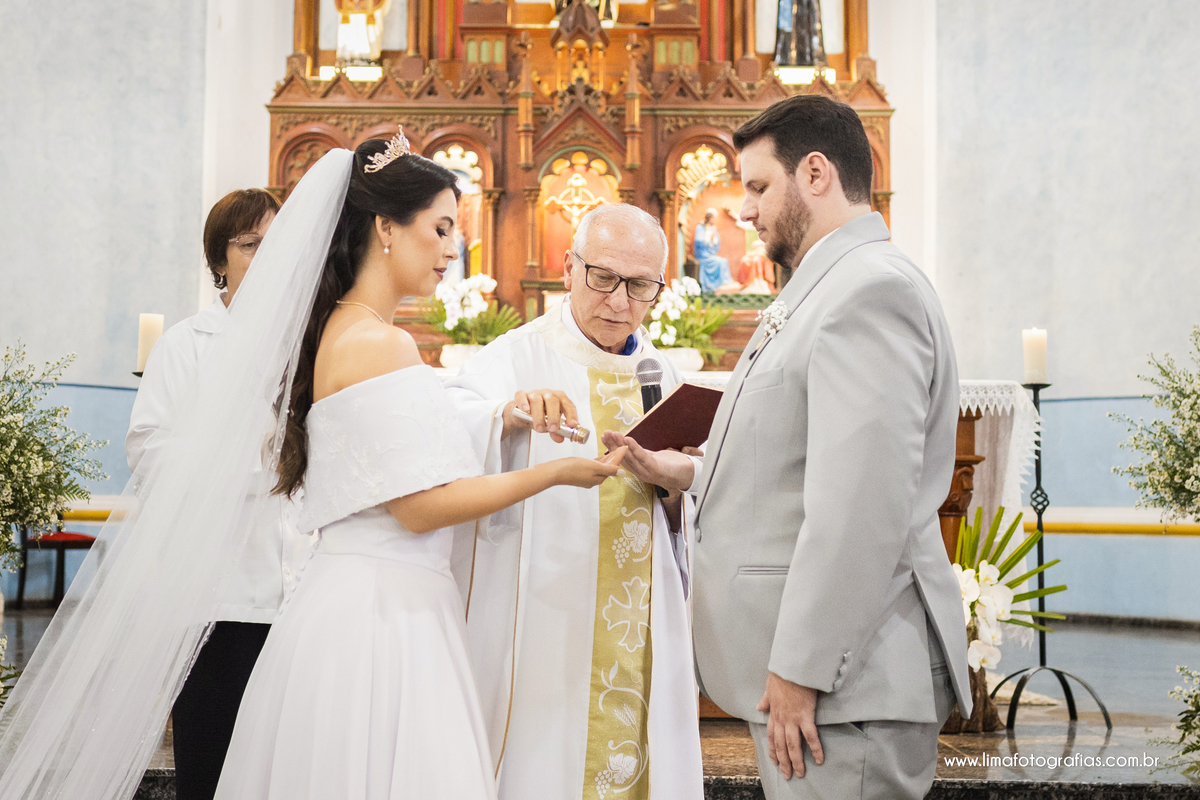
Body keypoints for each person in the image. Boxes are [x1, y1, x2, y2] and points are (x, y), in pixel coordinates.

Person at [0, 134, 620, 800]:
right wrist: (555, 474)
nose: (451, 249)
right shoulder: (382, 343)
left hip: (343, 596)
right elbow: (418, 506)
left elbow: (401, 449)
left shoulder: (338, 334)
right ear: (385, 226)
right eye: (440, 228)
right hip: (386, 612)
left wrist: (505, 415)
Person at [690, 95, 972, 800]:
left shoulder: (867, 291)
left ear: (815, 173)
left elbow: (862, 505)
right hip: (827, 693)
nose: (745, 212)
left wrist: (801, 670)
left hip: (842, 691)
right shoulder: (823, 288)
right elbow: (795, 461)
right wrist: (683, 472)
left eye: (757, 187)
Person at [444, 203, 704, 800]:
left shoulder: (660, 372)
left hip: (642, 614)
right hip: (542, 612)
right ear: (568, 267)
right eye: (603, 277)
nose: (618, 301)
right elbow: (448, 436)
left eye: (639, 286)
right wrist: (506, 416)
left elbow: (685, 514)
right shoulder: (513, 358)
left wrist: (675, 483)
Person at [125, 187, 302, 800]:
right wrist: (252, 451)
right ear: (218, 259)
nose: (268, 257)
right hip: (218, 594)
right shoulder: (186, 345)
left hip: (303, 592)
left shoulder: (312, 343)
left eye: (277, 245)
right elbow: (148, 453)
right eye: (251, 245)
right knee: (213, 761)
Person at [693, 208, 734, 292]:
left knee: (723, 261)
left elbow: (717, 242)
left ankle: (723, 283)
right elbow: (698, 241)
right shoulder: (700, 227)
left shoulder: (713, 228)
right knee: (719, 262)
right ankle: (711, 285)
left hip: (711, 253)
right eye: (713, 218)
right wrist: (708, 239)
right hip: (703, 254)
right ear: (709, 217)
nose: (714, 220)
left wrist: (713, 240)